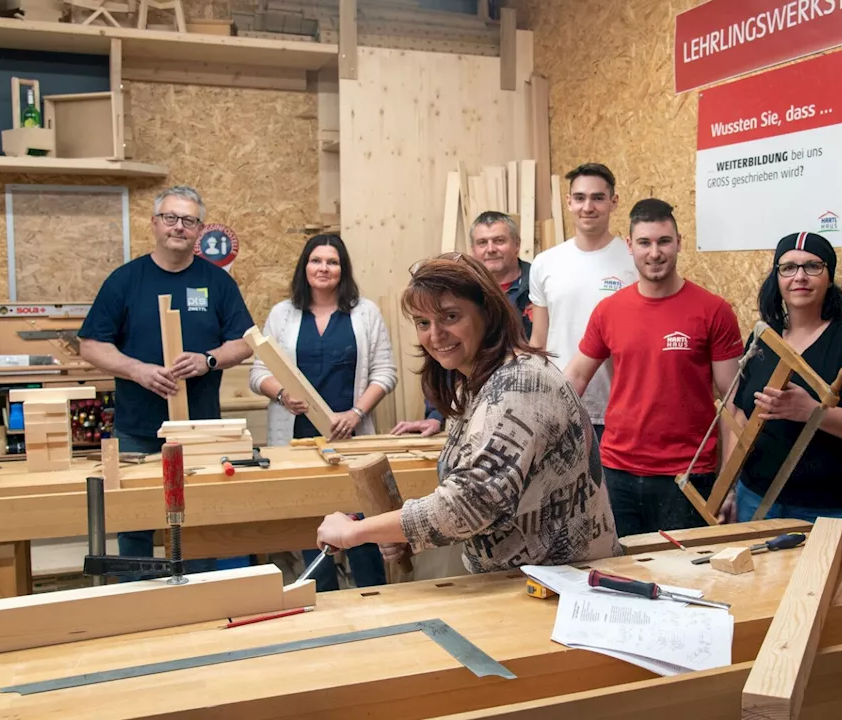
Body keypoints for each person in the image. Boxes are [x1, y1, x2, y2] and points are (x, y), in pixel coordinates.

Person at [315, 253, 620, 572]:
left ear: (487, 313)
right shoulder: (475, 384)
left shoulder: (520, 385)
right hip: (521, 582)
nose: (435, 336)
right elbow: (487, 500)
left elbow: (467, 503)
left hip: (563, 586)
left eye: (450, 316)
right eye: (423, 323)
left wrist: (354, 532)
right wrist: (403, 531)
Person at [78, 185, 255, 570]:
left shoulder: (218, 282)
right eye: (170, 218)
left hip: (200, 431)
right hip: (137, 429)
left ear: (199, 230)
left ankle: (201, 604)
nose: (179, 227)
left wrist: (208, 360)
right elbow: (90, 345)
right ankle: (139, 605)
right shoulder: (125, 280)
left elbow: (245, 342)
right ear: (155, 224)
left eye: (188, 221)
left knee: (198, 525)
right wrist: (137, 370)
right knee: (136, 525)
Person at [564, 199, 743, 536]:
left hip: (687, 475)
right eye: (644, 242)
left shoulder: (713, 311)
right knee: (619, 575)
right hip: (617, 473)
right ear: (630, 246)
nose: (655, 253)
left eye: (664, 241)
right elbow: (574, 377)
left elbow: (734, 404)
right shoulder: (609, 311)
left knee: (681, 579)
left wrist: (728, 485)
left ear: (679, 243)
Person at [249, 234, 396, 591]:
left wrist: (357, 413)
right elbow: (258, 373)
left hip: (351, 439)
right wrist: (283, 395)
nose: (324, 268)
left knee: (362, 525)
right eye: (316, 261)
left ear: (342, 269)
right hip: (298, 442)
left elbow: (385, 373)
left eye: (332, 262)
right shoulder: (283, 314)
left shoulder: (365, 313)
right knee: (311, 527)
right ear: (305, 267)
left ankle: (372, 598)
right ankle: (322, 600)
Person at [729, 232, 842, 536]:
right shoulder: (762, 337)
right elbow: (739, 414)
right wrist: (729, 489)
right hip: (755, 500)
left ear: (829, 277)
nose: (800, 277)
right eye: (788, 268)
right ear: (777, 277)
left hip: (831, 511)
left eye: (812, 267)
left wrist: (813, 412)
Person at [392, 211, 532, 437]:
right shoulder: (466, 383)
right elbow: (444, 362)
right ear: (472, 249)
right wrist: (436, 415)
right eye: (423, 323)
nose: (490, 249)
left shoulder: (539, 286)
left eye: (450, 317)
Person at [529, 163, 638, 439]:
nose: (587, 207)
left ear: (613, 202)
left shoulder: (635, 262)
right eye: (579, 198)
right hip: (558, 407)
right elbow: (539, 341)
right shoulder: (545, 263)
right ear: (568, 202)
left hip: (617, 410)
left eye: (598, 198)